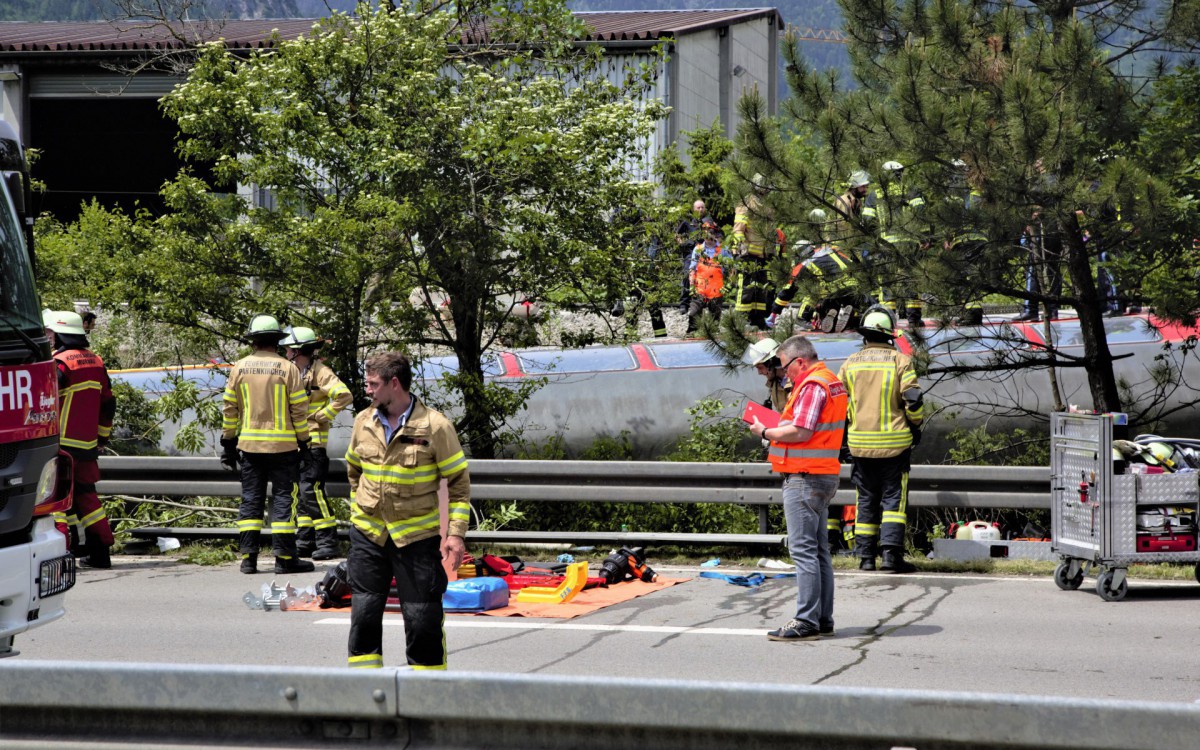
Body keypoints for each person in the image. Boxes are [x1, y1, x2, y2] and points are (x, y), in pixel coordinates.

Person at [345, 351, 470, 670]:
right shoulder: (363, 421)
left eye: (373, 384)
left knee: (422, 621)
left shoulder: (434, 426)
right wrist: (362, 507)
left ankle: (426, 699)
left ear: (394, 384)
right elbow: (354, 471)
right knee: (363, 618)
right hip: (368, 536)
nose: (368, 390)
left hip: (416, 540)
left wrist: (455, 535)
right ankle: (364, 696)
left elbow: (458, 483)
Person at [747, 335, 847, 641]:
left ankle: (806, 621)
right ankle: (822, 618)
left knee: (804, 552)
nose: (784, 371)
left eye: (785, 365)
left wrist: (765, 430)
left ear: (799, 361)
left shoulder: (813, 384)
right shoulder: (831, 381)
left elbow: (801, 430)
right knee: (818, 553)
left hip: (804, 477)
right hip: (820, 474)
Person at [220, 314, 314, 575]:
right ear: (276, 340)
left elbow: (230, 409)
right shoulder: (288, 368)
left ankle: (248, 559)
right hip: (283, 449)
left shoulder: (239, 368)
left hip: (249, 448)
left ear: (253, 341)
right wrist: (305, 442)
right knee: (285, 499)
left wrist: (228, 442)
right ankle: (284, 559)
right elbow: (299, 411)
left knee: (251, 499)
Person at [838, 306, 924, 573]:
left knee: (865, 499)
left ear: (865, 335)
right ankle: (890, 558)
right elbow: (914, 400)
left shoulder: (850, 363)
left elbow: (839, 405)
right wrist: (916, 424)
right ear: (889, 336)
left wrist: (843, 442)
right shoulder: (901, 361)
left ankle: (865, 558)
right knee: (893, 502)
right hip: (894, 447)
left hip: (860, 447)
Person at [44, 310, 116, 568]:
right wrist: (102, 437)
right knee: (88, 498)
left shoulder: (59, 363)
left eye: (50, 332)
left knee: (54, 501)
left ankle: (60, 555)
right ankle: (101, 554)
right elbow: (108, 404)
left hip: (58, 446)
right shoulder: (96, 362)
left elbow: (43, 400)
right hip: (86, 447)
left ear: (61, 334)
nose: (47, 337)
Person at [281, 326, 354, 560]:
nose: (284, 352)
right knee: (301, 494)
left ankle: (327, 542)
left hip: (314, 444)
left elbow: (343, 394)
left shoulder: (320, 371)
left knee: (310, 491)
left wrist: (323, 415)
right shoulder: (292, 371)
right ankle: (305, 539)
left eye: (288, 348)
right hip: (295, 443)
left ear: (298, 350)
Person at [729, 174, 782, 329]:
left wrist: (773, 252)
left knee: (761, 288)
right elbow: (738, 229)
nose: (767, 189)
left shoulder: (768, 204)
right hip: (747, 254)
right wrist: (737, 250)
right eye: (764, 186)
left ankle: (757, 319)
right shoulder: (746, 202)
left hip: (764, 254)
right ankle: (741, 320)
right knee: (746, 288)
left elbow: (771, 231)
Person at [686, 220, 731, 334]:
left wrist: (729, 284)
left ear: (715, 234)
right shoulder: (698, 249)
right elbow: (692, 268)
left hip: (716, 291)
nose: (707, 235)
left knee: (714, 323)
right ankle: (691, 334)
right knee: (693, 314)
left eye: (710, 232)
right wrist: (691, 285)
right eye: (705, 232)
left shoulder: (723, 250)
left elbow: (732, 269)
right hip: (700, 289)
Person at [676, 199, 712, 312]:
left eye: (702, 207)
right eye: (698, 207)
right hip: (690, 252)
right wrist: (682, 244)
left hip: (704, 252)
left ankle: (704, 301)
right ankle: (684, 303)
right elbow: (677, 234)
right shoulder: (688, 222)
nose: (700, 209)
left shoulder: (708, 221)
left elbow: (717, 234)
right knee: (688, 274)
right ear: (694, 209)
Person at [741, 338, 790, 412]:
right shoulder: (775, 385)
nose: (759, 373)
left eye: (760, 367)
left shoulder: (796, 382)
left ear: (773, 363)